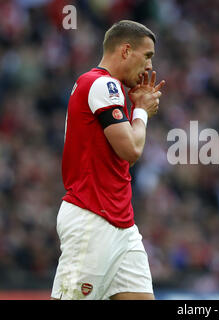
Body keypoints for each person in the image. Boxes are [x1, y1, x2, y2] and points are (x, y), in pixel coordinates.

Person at [51, 20, 165, 300]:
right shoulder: (102, 84)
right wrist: (141, 112)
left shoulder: (103, 87)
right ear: (126, 50)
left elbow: (123, 156)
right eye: (147, 55)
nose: (150, 66)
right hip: (92, 217)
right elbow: (132, 150)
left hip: (122, 225)